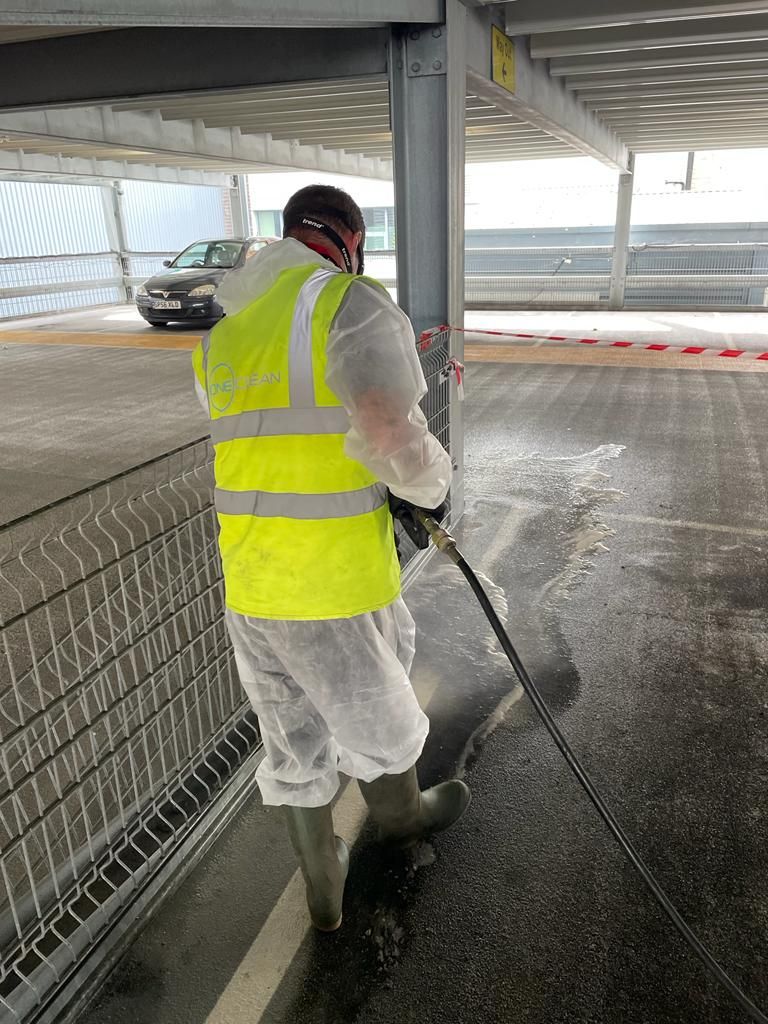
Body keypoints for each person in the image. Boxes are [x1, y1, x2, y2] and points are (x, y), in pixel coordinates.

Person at [191, 185, 470, 932]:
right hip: (336, 580)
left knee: (292, 733)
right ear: (349, 238)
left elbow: (273, 441)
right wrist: (433, 490)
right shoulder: (346, 302)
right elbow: (386, 432)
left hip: (251, 580)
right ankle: (406, 819)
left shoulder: (225, 334)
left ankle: (323, 878)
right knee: (376, 717)